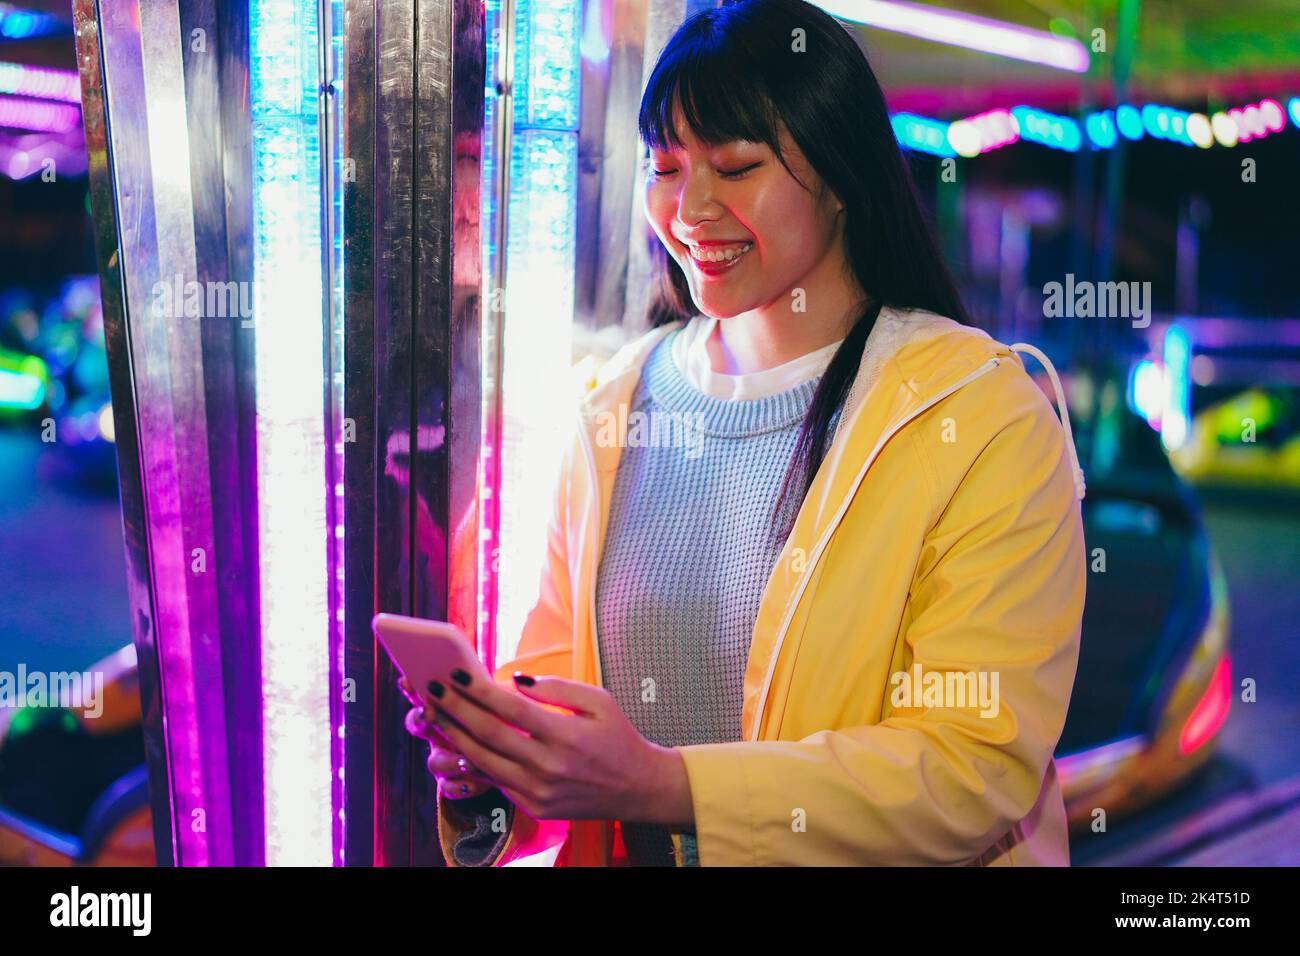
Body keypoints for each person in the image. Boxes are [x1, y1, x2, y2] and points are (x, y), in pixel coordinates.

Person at [401, 0, 1087, 867]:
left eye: (734, 167)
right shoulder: (615, 404)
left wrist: (665, 785)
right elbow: (562, 716)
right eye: (666, 166)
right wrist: (496, 770)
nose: (689, 209)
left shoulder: (980, 415)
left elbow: (972, 768)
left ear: (839, 176)